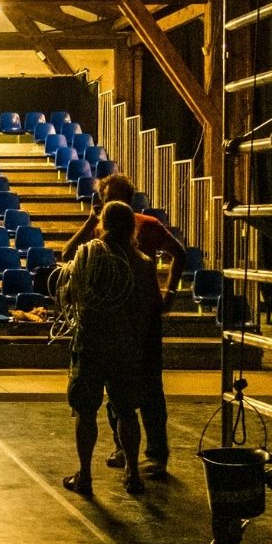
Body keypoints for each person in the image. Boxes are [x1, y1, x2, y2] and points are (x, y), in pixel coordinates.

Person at [62, 172, 184, 477]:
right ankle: (125, 452)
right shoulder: (99, 233)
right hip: (116, 324)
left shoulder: (146, 228)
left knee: (149, 389)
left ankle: (154, 454)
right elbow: (68, 255)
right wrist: (91, 223)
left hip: (139, 322)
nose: (108, 202)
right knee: (120, 397)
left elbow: (179, 253)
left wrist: (169, 292)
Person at [59, 201, 163, 496]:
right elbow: (150, 306)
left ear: (102, 225)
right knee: (127, 411)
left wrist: (87, 224)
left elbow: (66, 258)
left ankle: (86, 475)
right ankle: (132, 474)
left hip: (92, 342)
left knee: (86, 411)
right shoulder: (142, 263)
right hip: (126, 345)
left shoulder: (90, 255)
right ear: (133, 228)